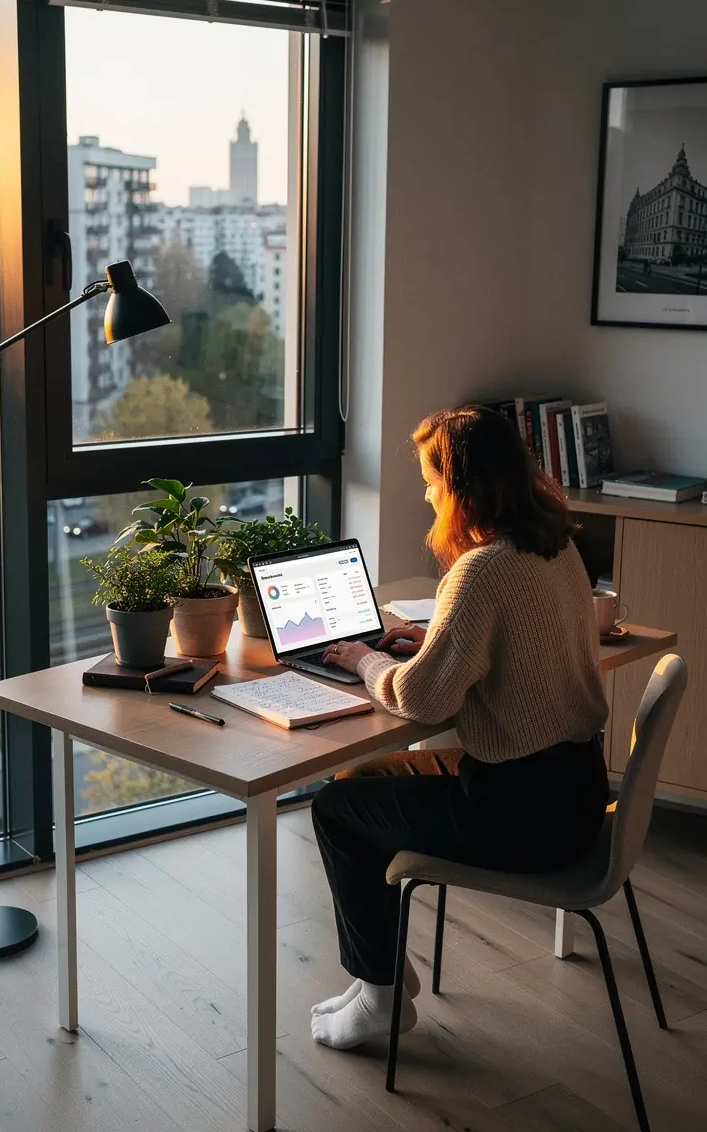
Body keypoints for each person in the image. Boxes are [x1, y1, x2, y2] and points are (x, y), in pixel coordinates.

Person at [310, 404, 609, 1051]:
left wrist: (365, 658)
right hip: (577, 792)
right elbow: (511, 646)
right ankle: (376, 980)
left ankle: (382, 1000)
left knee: (337, 808)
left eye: (430, 479)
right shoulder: (554, 548)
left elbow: (422, 698)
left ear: (463, 486)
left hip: (518, 814)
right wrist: (435, 636)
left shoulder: (481, 571)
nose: (425, 491)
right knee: (361, 783)